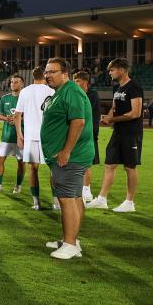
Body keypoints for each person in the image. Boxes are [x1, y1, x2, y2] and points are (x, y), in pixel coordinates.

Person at [41, 58, 94, 260]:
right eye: (46, 72)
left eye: (52, 72)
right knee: (75, 197)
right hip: (72, 155)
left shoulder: (71, 90)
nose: (47, 75)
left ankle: (70, 244)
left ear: (65, 74)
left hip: (71, 156)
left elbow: (78, 122)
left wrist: (66, 151)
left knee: (67, 198)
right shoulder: (62, 91)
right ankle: (71, 239)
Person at [87, 58, 143, 213]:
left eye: (112, 70)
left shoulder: (134, 87)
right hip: (118, 132)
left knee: (130, 167)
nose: (109, 73)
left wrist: (112, 119)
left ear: (122, 70)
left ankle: (129, 202)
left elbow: (135, 113)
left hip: (131, 133)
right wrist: (107, 117)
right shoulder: (118, 88)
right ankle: (102, 199)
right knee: (109, 164)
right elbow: (114, 107)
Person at [14, 67, 56, 210]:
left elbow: (17, 115)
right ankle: (55, 202)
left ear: (33, 76)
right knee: (53, 169)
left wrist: (19, 134)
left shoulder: (25, 91)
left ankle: (36, 203)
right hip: (49, 136)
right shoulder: (52, 91)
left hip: (30, 136)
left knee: (33, 169)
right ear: (44, 75)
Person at [0, 74, 25, 194]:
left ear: (22, 84)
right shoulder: (5, 98)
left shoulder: (25, 98)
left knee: (21, 162)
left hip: (21, 137)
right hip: (6, 136)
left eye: (16, 82)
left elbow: (31, 114)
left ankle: (18, 185)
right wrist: (6, 119)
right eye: (12, 82)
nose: (13, 84)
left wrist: (19, 119)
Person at [72, 70, 101, 202]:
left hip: (89, 134)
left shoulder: (92, 95)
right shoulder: (75, 94)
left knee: (86, 164)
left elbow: (91, 116)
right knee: (76, 163)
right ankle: (79, 190)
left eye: (77, 81)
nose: (75, 83)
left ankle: (87, 191)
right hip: (76, 133)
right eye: (74, 81)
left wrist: (93, 134)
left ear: (85, 82)